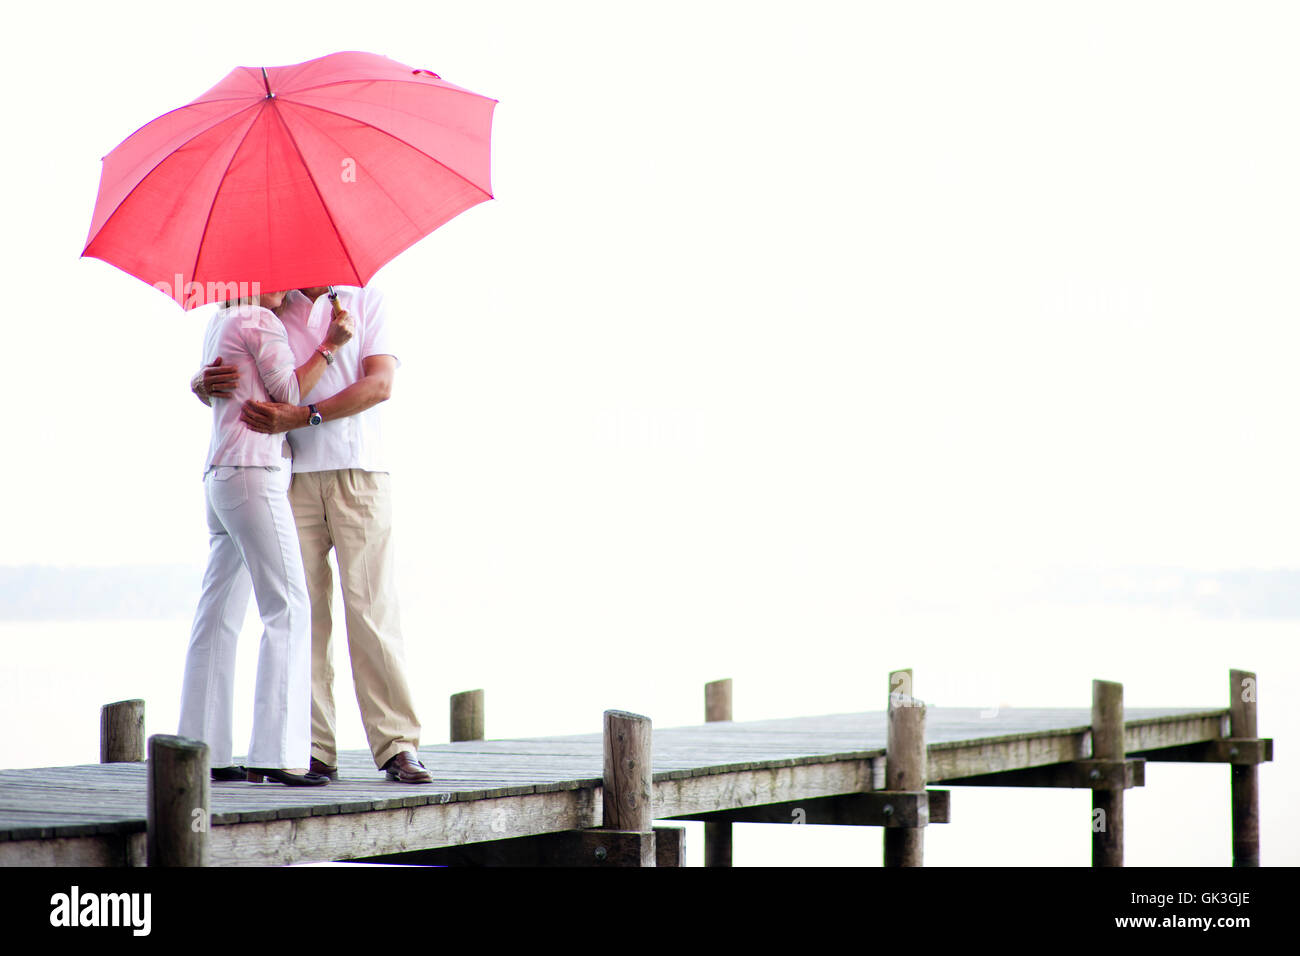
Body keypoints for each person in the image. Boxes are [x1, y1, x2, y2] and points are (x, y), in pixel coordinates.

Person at [192, 285, 431, 784]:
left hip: (359, 470)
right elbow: (245, 373)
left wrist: (304, 414)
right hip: (292, 474)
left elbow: (381, 385)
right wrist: (202, 381)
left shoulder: (368, 299)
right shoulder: (275, 307)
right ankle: (312, 747)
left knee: (371, 609)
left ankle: (396, 746)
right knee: (307, 614)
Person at [180, 289, 353, 786]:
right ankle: (277, 755)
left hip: (221, 476)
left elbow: (223, 387)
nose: (285, 283)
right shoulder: (259, 317)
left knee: (217, 616)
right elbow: (290, 396)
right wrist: (329, 346)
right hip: (254, 473)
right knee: (290, 607)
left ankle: (202, 750)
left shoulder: (222, 320)